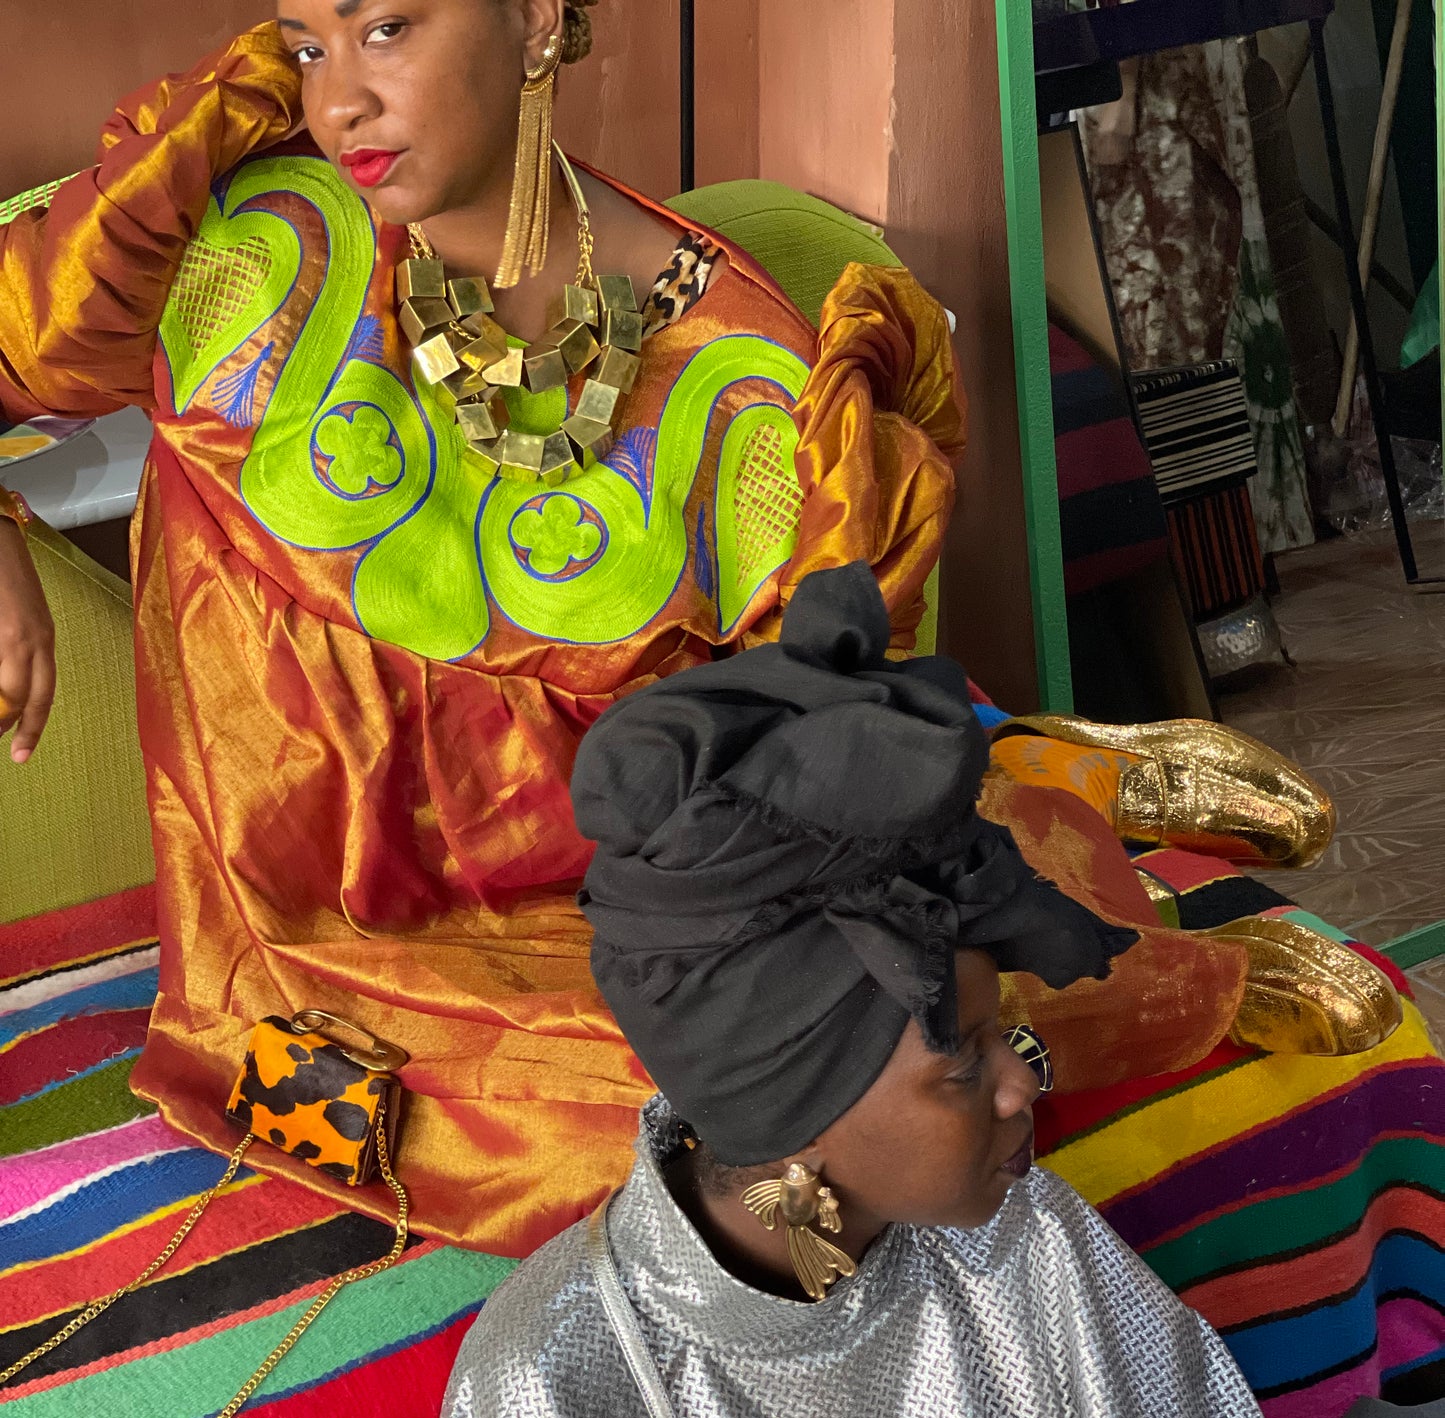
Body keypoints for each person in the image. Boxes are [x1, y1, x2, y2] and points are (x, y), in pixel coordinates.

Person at [0, 0, 1403, 1257]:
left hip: (639, 887)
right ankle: (1063, 782)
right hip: (303, 959)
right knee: (684, 1127)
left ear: (539, 19)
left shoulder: (732, 358)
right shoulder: (241, 243)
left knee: (873, 1034)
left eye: (387, 30)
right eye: (307, 43)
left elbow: (793, 741)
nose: (337, 100)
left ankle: (1043, 776)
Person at [392, 566, 1444, 1418]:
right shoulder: (561, 1391)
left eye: (1005, 1029)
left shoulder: (1028, 1248)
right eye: (955, 1054)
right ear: (793, 1110)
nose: (1020, 1086)